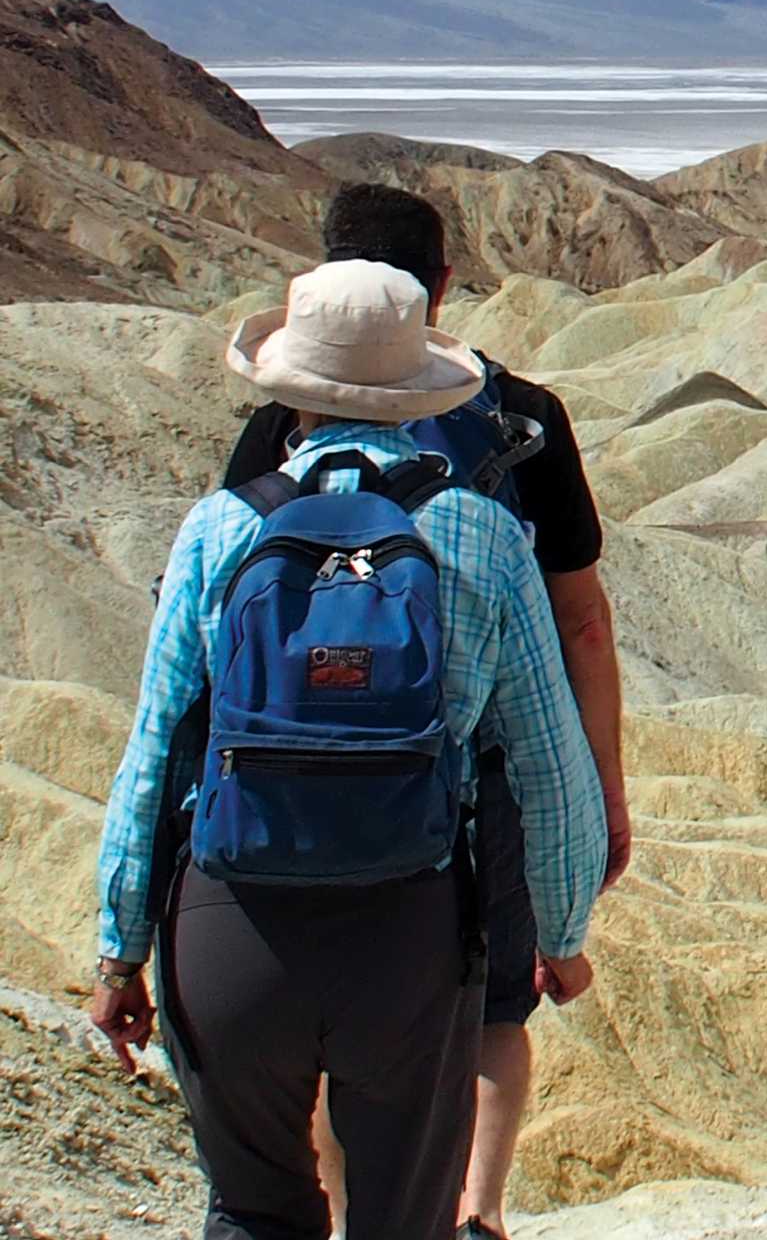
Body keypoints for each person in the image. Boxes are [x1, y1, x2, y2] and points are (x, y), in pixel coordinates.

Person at [90, 259, 608, 1238]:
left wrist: (120, 956)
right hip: (407, 931)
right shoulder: (482, 536)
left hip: (229, 922)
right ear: (417, 398)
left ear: (287, 391)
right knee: (401, 1220)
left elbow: (154, 752)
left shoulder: (217, 531)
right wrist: (563, 935)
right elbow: (548, 762)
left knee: (251, 1210)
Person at [221, 184, 631, 1240]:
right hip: (472, 776)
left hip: (286, 784)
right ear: (443, 288)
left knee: (317, 1024)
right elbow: (579, 622)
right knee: (495, 1008)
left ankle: (353, 1208)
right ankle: (478, 1213)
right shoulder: (523, 418)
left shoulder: (277, 435)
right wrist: (600, 803)